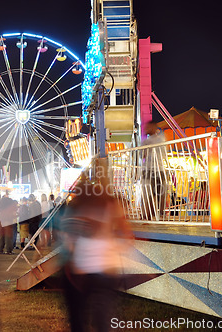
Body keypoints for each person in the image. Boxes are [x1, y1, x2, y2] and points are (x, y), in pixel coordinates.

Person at [61, 178, 133, 332]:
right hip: (106, 269)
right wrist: (116, 246)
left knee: (78, 315)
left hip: (82, 269)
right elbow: (128, 235)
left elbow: (68, 239)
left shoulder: (76, 207)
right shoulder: (111, 205)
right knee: (102, 314)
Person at [141, 121, 168, 220]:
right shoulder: (162, 138)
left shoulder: (148, 141)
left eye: (148, 127)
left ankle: (149, 214)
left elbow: (142, 156)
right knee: (157, 193)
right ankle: (158, 214)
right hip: (157, 169)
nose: (146, 129)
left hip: (151, 169)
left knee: (149, 193)